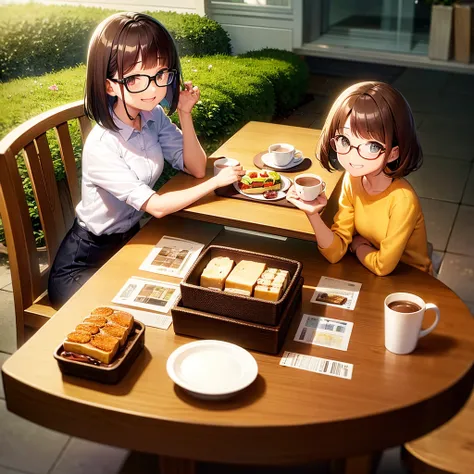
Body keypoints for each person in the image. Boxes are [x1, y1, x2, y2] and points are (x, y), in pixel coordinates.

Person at [48, 12, 243, 308]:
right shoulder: (103, 145)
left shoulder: (153, 117)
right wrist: (217, 182)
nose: (153, 88)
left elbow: (194, 166)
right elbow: (158, 207)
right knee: (135, 313)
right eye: (137, 79)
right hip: (83, 263)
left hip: (129, 243)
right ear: (110, 85)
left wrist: (185, 114)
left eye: (161, 74)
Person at [286, 81, 432, 277]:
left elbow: (383, 266)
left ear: (393, 153)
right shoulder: (352, 179)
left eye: (372, 146)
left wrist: (358, 246)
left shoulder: (403, 200)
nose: (353, 157)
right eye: (344, 141)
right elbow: (335, 252)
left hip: (412, 279)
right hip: (369, 271)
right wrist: (312, 214)